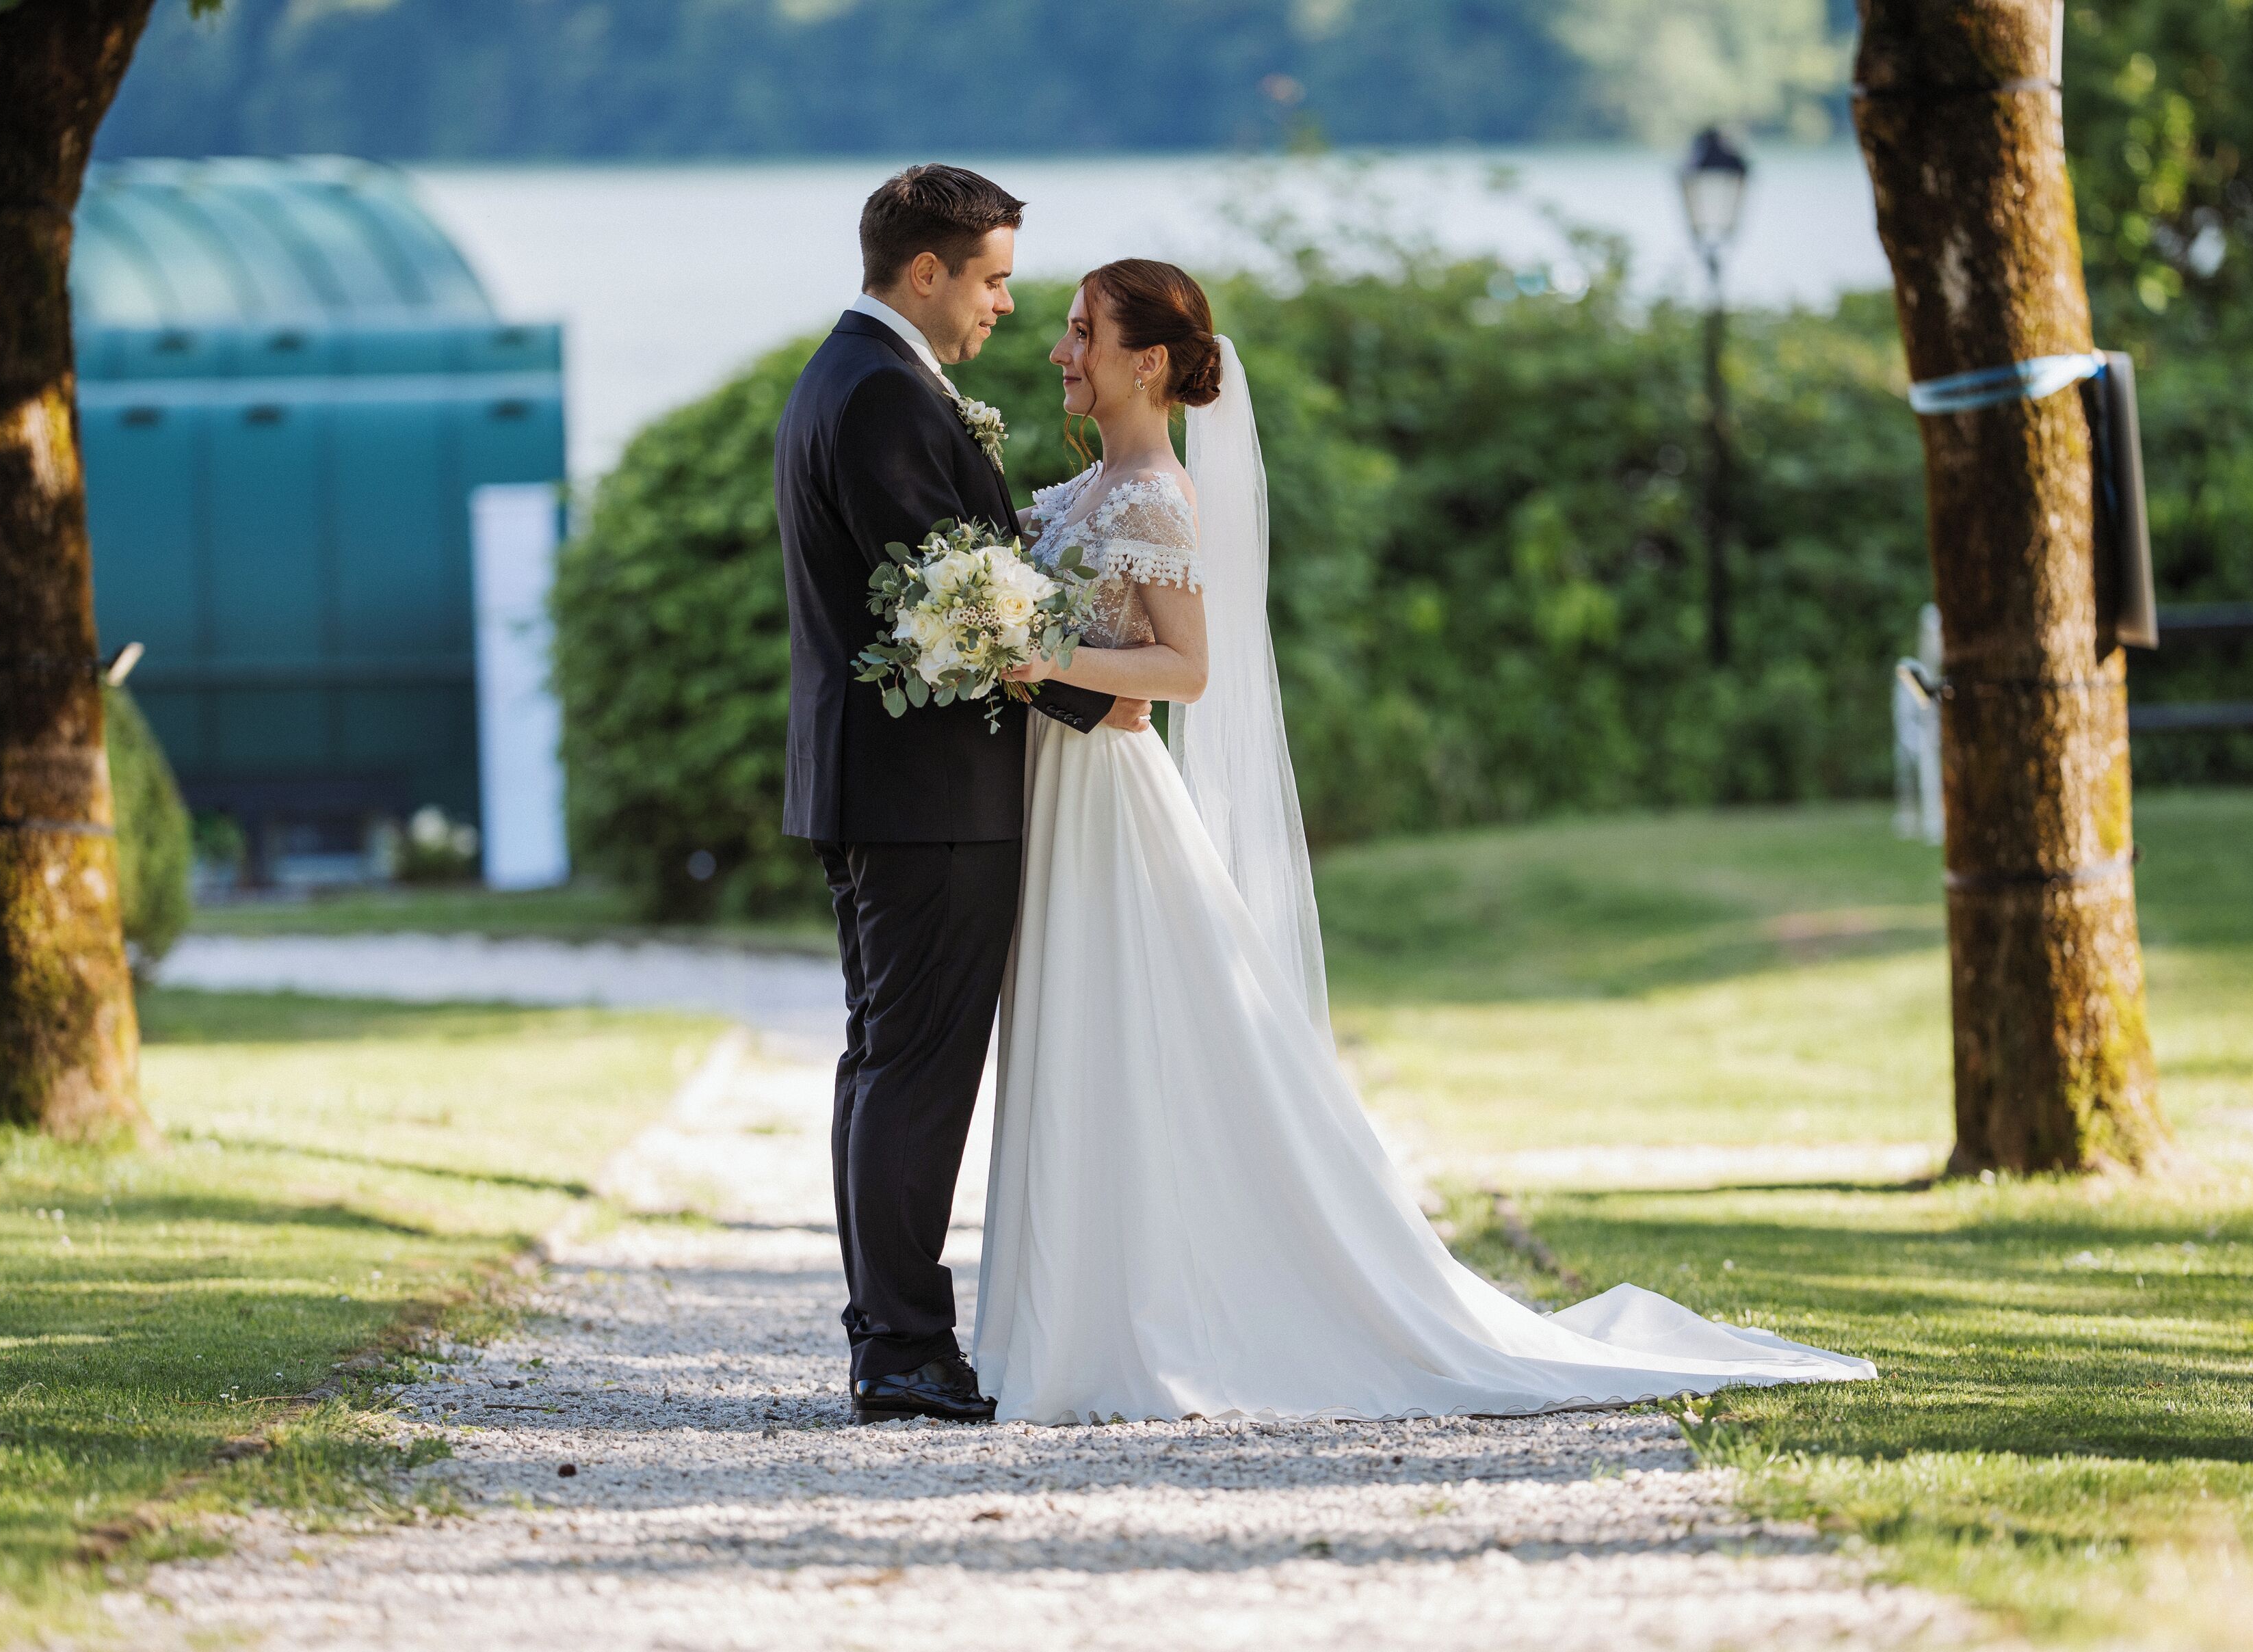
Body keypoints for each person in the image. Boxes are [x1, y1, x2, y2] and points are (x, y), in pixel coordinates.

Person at [975, 259, 1876, 1422]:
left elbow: (1188, 673)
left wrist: (1047, 661)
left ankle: (1131, 1325)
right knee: (1080, 1037)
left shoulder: (1154, 496)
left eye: (1082, 331)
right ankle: (1066, 1317)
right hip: (1062, 786)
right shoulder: (1085, 491)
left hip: (1110, 798)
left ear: (1146, 360)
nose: (1060, 351)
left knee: (1123, 1037)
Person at [774, 164, 1148, 1425]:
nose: (1002, 307)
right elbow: (955, 602)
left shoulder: (858, 376)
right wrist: (1103, 698)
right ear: (922, 271)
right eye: (989, 280)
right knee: (917, 1069)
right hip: (927, 792)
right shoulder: (881, 392)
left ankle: (891, 1333)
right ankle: (901, 1347)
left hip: (889, 785)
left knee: (887, 1061)